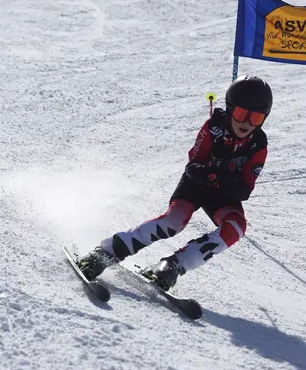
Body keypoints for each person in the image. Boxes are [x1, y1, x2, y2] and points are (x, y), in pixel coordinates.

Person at [78, 75, 272, 291]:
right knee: (174, 221)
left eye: (256, 118)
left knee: (236, 227)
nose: (246, 123)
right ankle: (107, 252)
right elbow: (193, 165)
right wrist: (211, 175)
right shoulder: (213, 127)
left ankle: (172, 266)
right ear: (230, 109)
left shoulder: (258, 144)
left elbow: (244, 190)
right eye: (241, 114)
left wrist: (223, 181)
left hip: (222, 194)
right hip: (196, 184)